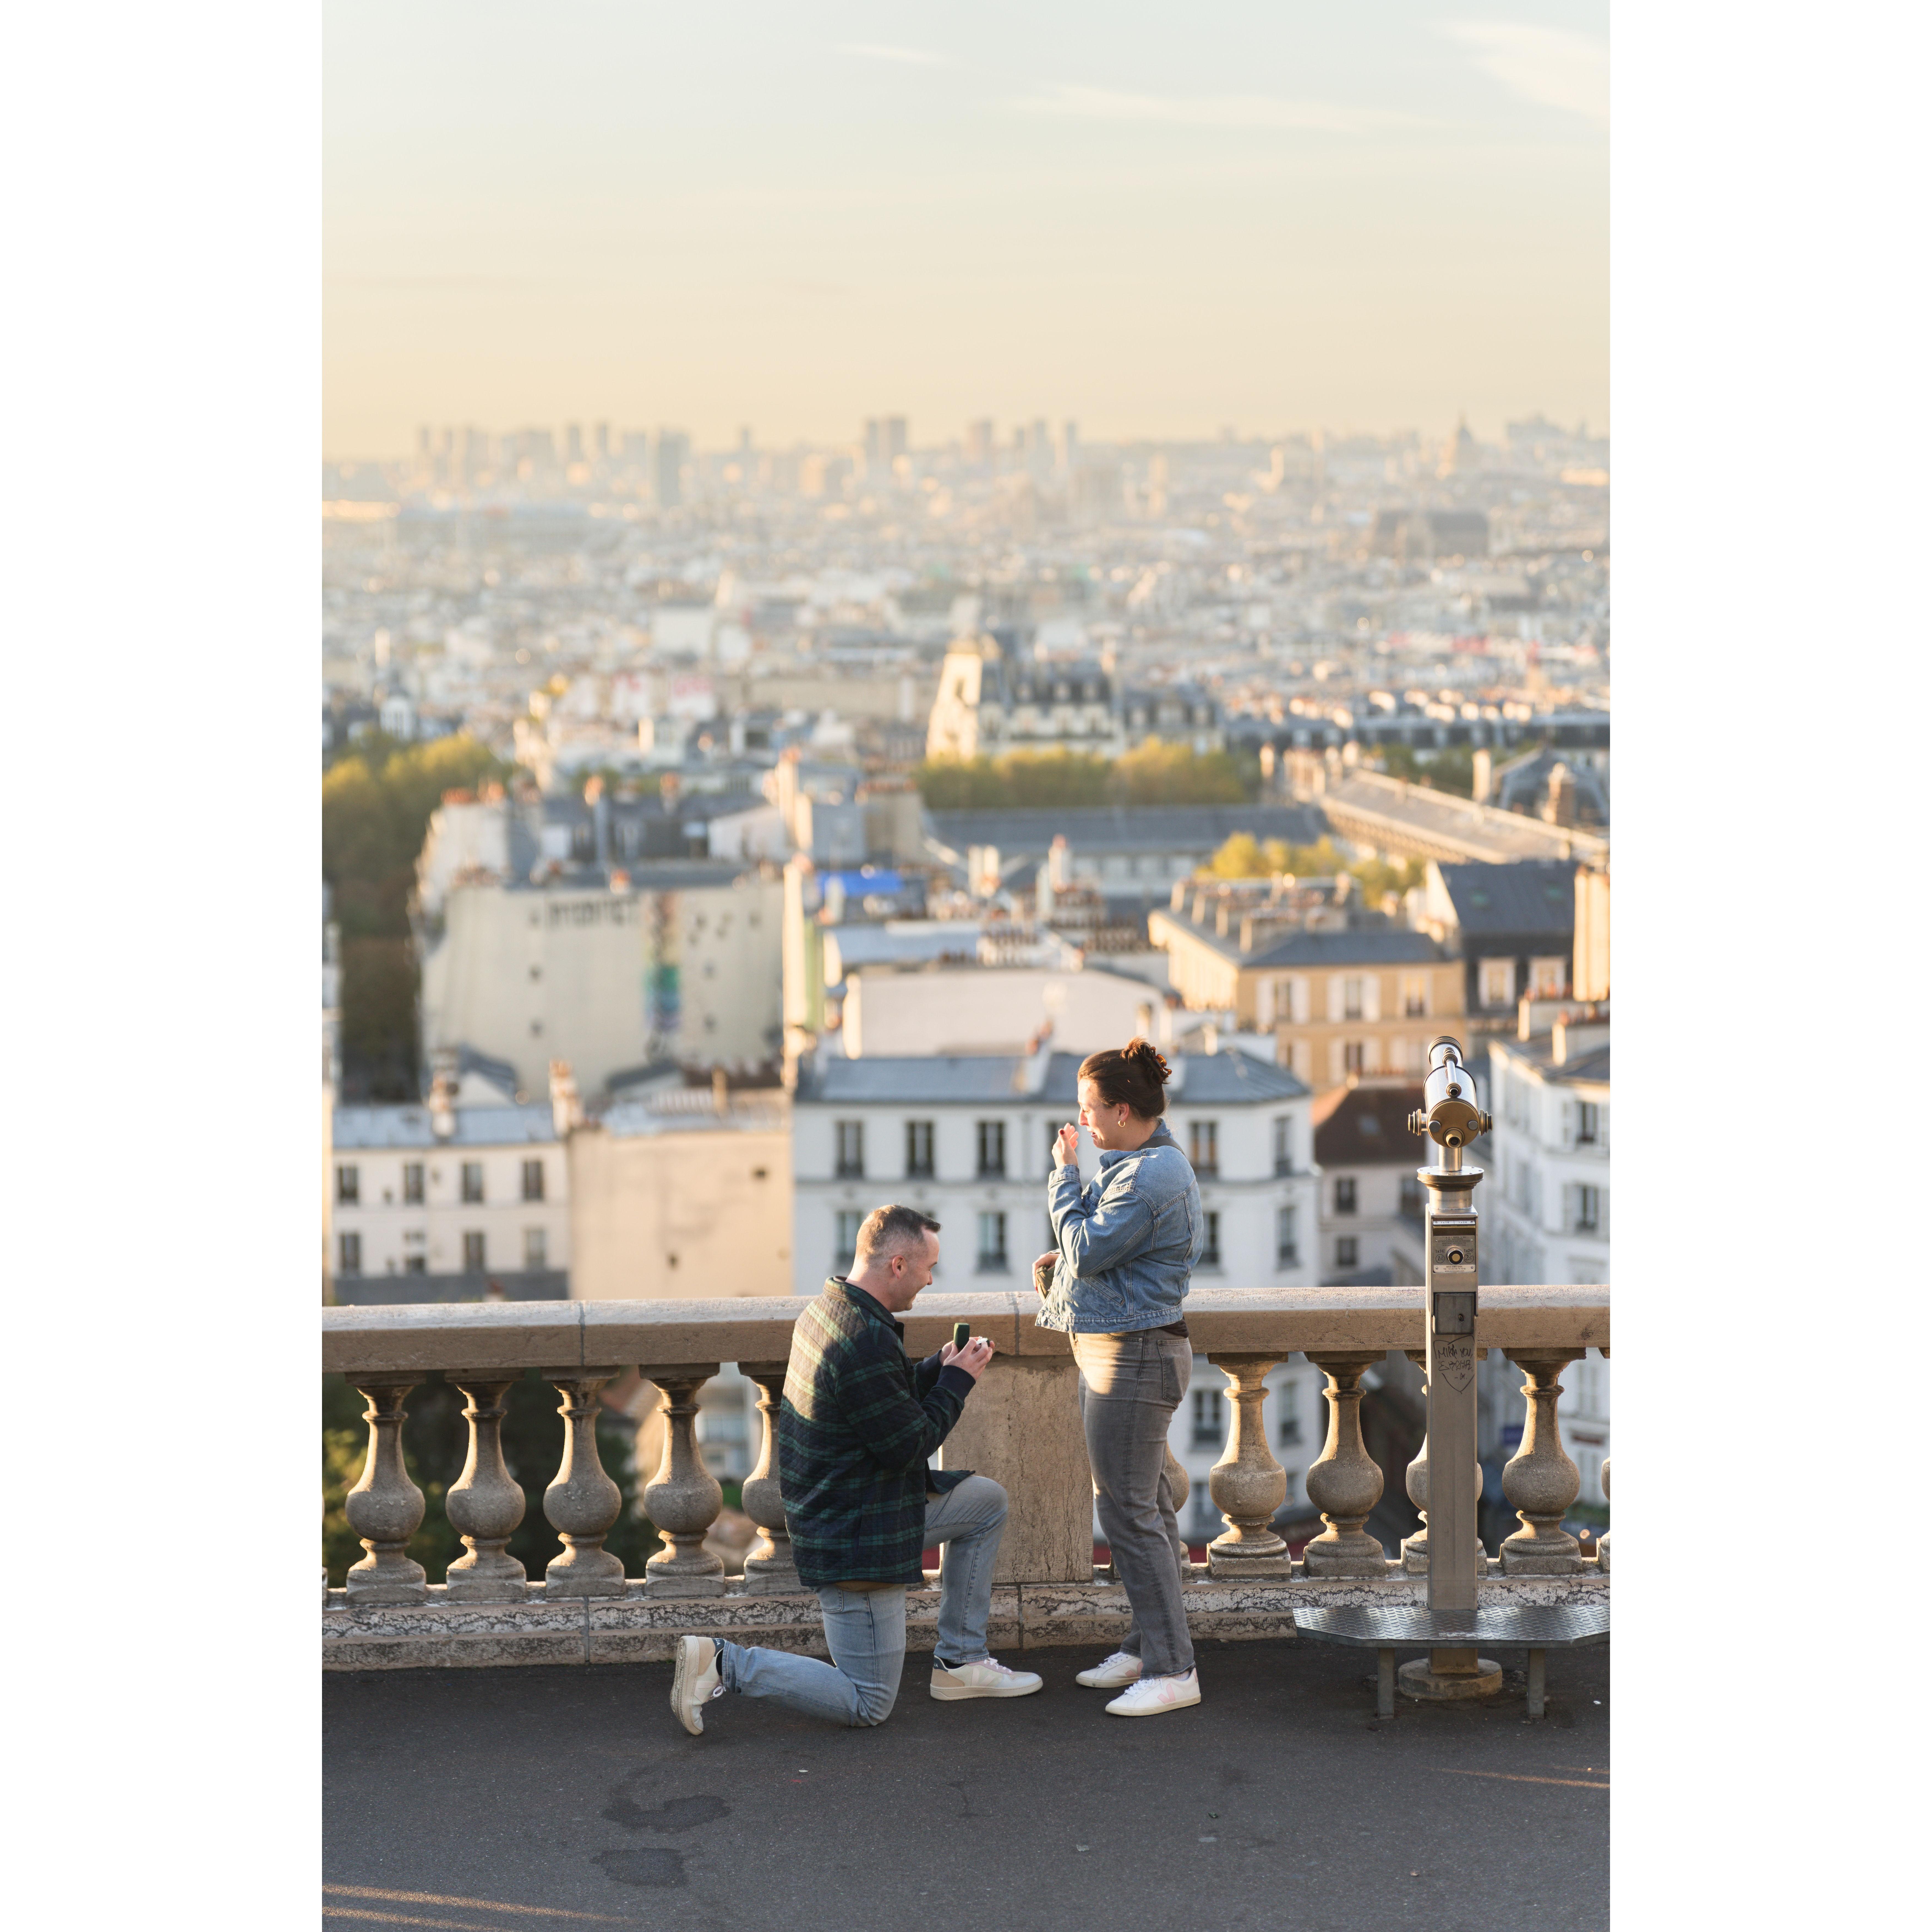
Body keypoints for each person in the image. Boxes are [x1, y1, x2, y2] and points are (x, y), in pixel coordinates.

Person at [670, 1204, 1042, 1734]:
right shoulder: (865, 1337)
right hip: (856, 1536)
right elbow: (907, 1445)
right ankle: (724, 1662)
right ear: (897, 1265)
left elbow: (874, 1404)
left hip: (847, 1507)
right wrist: (958, 1384)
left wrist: (936, 1369)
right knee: (867, 1702)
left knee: (985, 1502)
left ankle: (961, 1663)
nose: (931, 1279)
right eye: (927, 1267)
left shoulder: (831, 1309)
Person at [1034, 1038, 1204, 1717]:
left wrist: (1063, 1178)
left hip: (1133, 1357)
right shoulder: (1143, 1163)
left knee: (1128, 1515)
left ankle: (1173, 1668)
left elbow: (1090, 1247)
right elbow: (1102, 1252)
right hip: (1123, 1351)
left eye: (1089, 1109)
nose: (1080, 1123)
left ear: (1124, 1110)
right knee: (1149, 1510)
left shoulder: (1150, 1175)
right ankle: (1146, 1644)